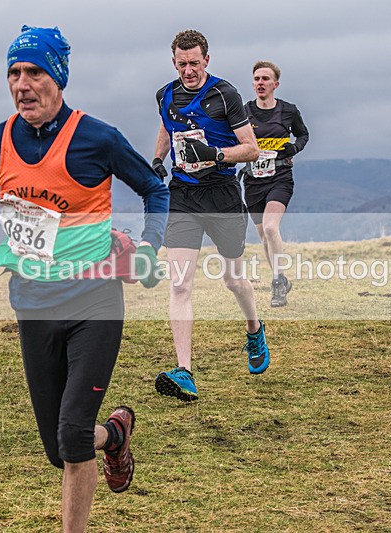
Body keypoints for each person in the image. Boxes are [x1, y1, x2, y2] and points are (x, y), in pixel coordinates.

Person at [0, 26, 169, 532]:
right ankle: (114, 436)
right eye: (14, 73)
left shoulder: (98, 138)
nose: (22, 84)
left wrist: (149, 247)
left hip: (95, 302)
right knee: (59, 448)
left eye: (34, 72)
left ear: (58, 78)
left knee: (72, 435)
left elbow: (154, 189)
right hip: (32, 304)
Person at [150, 29, 270, 400]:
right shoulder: (165, 94)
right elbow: (167, 127)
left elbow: (251, 149)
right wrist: (157, 160)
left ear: (206, 59)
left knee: (234, 280)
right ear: (174, 62)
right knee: (179, 284)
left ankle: (254, 329)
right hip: (183, 195)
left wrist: (215, 155)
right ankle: (184, 372)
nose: (188, 70)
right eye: (181, 64)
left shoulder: (225, 94)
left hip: (222, 195)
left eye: (194, 63)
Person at [238, 61, 309, 307]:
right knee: (263, 237)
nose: (261, 83)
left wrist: (294, 148)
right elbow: (232, 138)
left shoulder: (288, 110)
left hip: (280, 177)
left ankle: (277, 283)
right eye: (257, 79)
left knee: (270, 228)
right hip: (253, 180)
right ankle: (281, 278)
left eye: (265, 79)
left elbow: (303, 134)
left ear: (275, 84)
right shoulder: (243, 112)